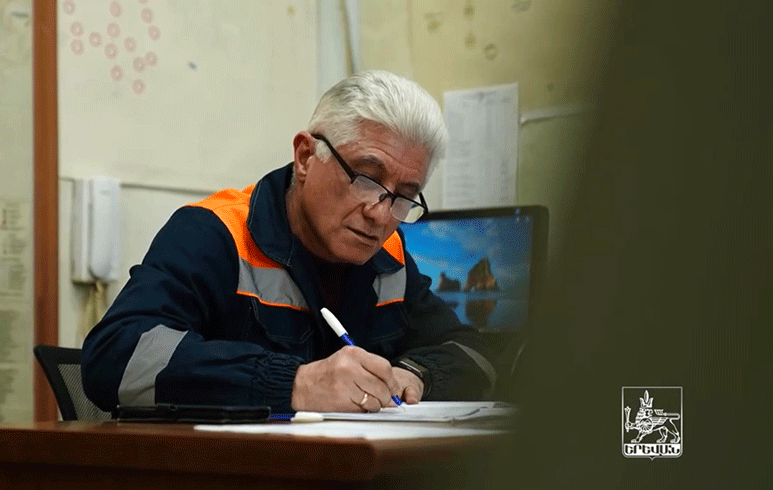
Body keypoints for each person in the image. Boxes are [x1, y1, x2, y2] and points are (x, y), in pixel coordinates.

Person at [81, 70, 497, 414]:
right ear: (305, 157)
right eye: (366, 178)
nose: (380, 213)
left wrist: (417, 375)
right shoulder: (216, 232)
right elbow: (114, 358)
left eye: (404, 196)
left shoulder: (389, 256)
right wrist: (297, 384)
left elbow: (480, 354)